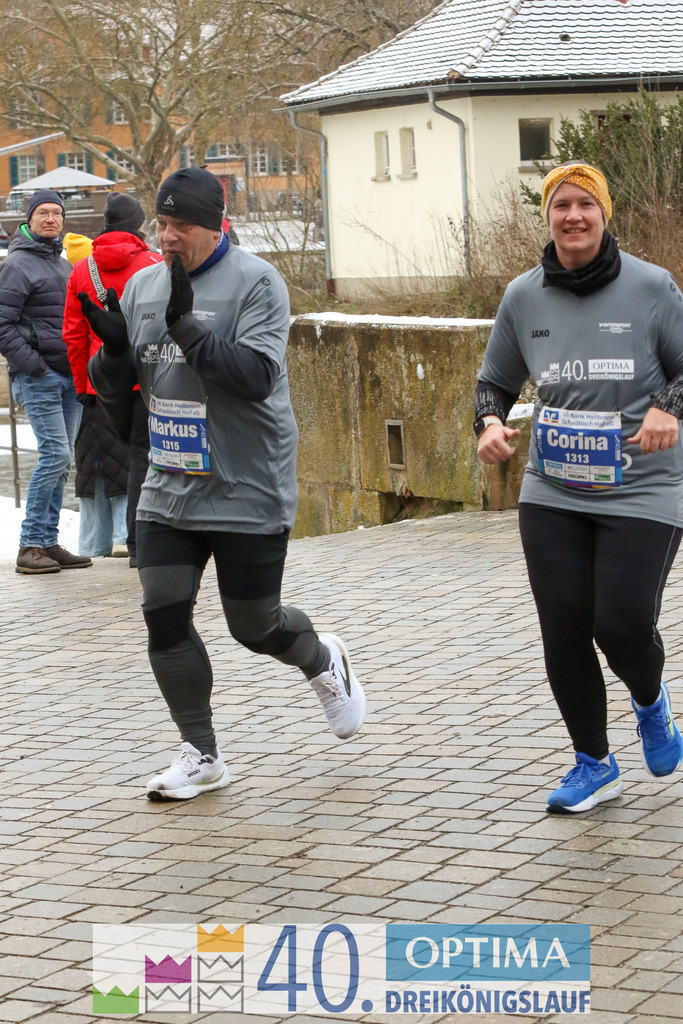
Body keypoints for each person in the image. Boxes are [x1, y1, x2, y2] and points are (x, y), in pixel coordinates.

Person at [79, 166, 365, 800]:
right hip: (170, 483)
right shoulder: (144, 286)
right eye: (163, 223)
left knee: (253, 626)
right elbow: (113, 396)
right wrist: (115, 354)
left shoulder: (258, 282)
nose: (170, 235)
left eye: (183, 225)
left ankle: (323, 661)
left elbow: (253, 377)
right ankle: (200, 753)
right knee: (163, 613)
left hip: (247, 484)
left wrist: (186, 325)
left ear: (215, 227)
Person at [475, 160, 683, 814]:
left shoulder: (651, 287)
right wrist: (486, 423)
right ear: (547, 215)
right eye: (560, 205)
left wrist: (666, 406)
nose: (572, 216)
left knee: (618, 622)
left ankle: (649, 701)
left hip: (642, 486)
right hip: (553, 490)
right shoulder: (522, 296)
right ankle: (592, 763)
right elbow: (494, 382)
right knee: (563, 626)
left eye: (584, 205)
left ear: (603, 213)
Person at [63, 192, 162, 565]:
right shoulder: (154, 265)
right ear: (137, 225)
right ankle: (143, 542)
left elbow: (73, 336)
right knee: (150, 459)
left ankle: (131, 543)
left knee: (128, 459)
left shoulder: (80, 271)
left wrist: (82, 386)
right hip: (150, 378)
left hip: (103, 383)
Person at [0, 188, 92, 574]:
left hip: (69, 375)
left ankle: (48, 541)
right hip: (39, 377)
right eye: (43, 213)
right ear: (29, 218)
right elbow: (2, 326)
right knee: (55, 455)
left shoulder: (61, 263)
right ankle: (30, 545)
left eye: (57, 213)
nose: (51, 219)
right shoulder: (16, 265)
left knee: (63, 458)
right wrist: (34, 366)